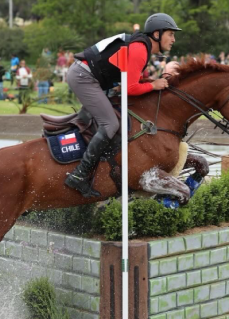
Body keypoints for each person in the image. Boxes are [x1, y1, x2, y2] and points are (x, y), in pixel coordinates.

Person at [63, 13, 180, 198]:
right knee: (110, 124)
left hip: (88, 76)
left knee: (105, 120)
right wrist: (153, 84)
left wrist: (158, 80)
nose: (173, 39)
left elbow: (134, 80)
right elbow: (130, 88)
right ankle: (79, 174)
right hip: (84, 77)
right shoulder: (141, 49)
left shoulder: (143, 47)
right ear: (157, 33)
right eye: (171, 34)